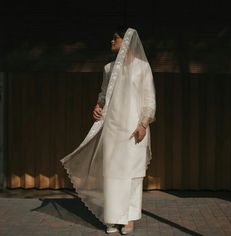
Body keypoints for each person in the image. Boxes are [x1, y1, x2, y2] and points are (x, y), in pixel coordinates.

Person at [60, 27, 156, 235]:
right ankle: (113, 218)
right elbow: (104, 94)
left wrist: (143, 124)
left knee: (131, 173)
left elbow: (149, 100)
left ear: (127, 40)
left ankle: (129, 218)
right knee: (112, 173)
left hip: (134, 128)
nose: (111, 41)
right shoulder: (108, 68)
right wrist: (98, 106)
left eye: (115, 37)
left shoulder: (142, 67)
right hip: (112, 128)